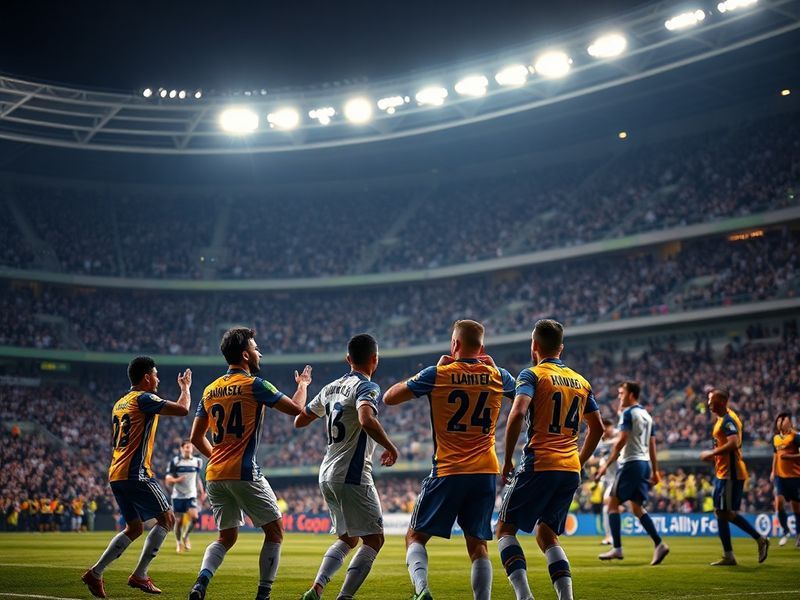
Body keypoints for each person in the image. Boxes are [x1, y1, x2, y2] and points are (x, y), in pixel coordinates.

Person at [383, 319, 516, 600]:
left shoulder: (438, 374)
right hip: (485, 472)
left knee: (415, 536)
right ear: (482, 347)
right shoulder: (499, 376)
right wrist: (489, 368)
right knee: (478, 545)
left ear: (454, 344)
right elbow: (524, 399)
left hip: (448, 469)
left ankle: (422, 590)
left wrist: (436, 369)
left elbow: (389, 398)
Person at [188, 327, 312, 600]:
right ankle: (263, 594)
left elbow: (195, 437)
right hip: (243, 472)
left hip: (214, 475)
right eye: (256, 348)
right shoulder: (256, 384)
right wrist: (303, 385)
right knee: (275, 531)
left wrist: (218, 459)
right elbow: (297, 409)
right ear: (245, 355)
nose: (259, 352)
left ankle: (201, 583)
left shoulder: (209, 390)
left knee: (226, 537)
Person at [496, 319, 604, 600]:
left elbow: (518, 413)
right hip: (569, 468)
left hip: (540, 462)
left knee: (505, 529)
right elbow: (598, 427)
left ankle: (524, 596)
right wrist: (579, 459)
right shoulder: (581, 381)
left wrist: (506, 459)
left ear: (534, 346)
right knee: (546, 534)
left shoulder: (532, 375)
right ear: (561, 347)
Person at [295, 333, 399, 600]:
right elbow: (366, 419)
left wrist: (304, 386)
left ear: (348, 359)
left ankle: (316, 589)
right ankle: (345, 597)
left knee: (348, 539)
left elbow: (300, 421)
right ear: (375, 359)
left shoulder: (329, 388)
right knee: (374, 540)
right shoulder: (367, 387)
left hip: (326, 473)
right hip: (351, 473)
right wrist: (390, 445)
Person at [82, 356, 192, 598]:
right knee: (167, 519)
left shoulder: (120, 403)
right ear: (146, 377)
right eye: (156, 375)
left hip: (116, 474)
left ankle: (96, 573)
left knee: (133, 528)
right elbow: (183, 409)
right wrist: (185, 388)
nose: (158, 379)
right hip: (136, 473)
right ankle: (140, 575)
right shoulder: (145, 398)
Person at [595, 381, 669, 564]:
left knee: (612, 503)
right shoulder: (646, 415)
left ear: (631, 394)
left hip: (630, 463)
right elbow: (652, 446)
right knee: (636, 507)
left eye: (622, 393)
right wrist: (655, 471)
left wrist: (605, 466)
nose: (619, 396)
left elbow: (621, 442)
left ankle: (617, 548)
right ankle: (659, 544)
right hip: (643, 465)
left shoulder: (628, 413)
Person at [700, 389, 769, 566]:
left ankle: (759, 539)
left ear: (722, 401)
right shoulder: (722, 419)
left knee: (725, 512)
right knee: (720, 512)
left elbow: (734, 443)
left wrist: (712, 453)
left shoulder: (729, 420)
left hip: (731, 473)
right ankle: (729, 555)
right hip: (722, 473)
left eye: (711, 399)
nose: (708, 403)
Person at [166, 440, 205, 553]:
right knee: (178, 522)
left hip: (191, 495)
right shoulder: (175, 461)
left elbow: (197, 478)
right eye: (187, 447)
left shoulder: (197, 461)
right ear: (182, 449)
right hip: (178, 495)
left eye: (190, 447)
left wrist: (201, 491)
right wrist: (177, 480)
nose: (189, 449)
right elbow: (168, 479)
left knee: (194, 517)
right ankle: (178, 543)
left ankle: (186, 536)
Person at [771, 412, 800, 547]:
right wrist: (773, 471)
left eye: (783, 420)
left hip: (795, 477)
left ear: (790, 422)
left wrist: (789, 457)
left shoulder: (796, 436)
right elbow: (776, 455)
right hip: (780, 477)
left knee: (796, 509)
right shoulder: (776, 438)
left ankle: (798, 535)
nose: (780, 422)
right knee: (779, 503)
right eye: (779, 420)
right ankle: (785, 531)